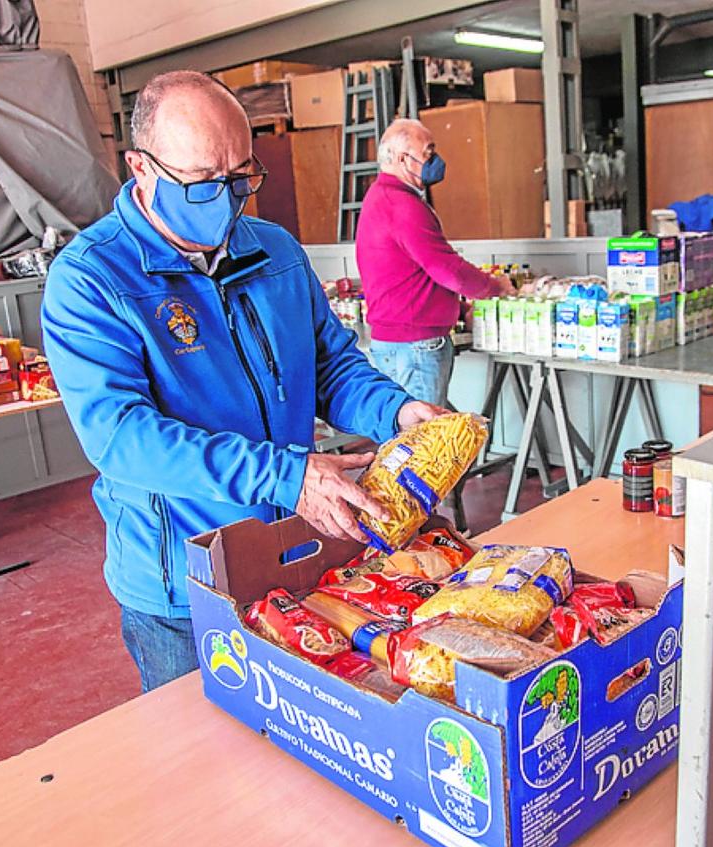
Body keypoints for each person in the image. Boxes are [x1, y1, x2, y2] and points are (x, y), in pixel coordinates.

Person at [41, 72, 444, 692]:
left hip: (295, 550)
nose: (228, 202)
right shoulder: (91, 280)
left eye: (240, 179)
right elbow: (122, 438)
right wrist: (288, 475)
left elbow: (329, 366)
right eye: (203, 183)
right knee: (201, 765)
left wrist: (395, 412)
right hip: (183, 580)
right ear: (140, 168)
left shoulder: (275, 251)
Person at [355, 118, 515, 406]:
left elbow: (413, 273)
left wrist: (460, 307)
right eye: (428, 153)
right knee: (422, 443)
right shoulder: (403, 206)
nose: (436, 161)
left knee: (413, 436)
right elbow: (446, 269)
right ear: (403, 158)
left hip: (400, 342)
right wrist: (497, 288)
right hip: (415, 346)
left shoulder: (381, 198)